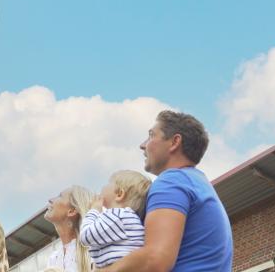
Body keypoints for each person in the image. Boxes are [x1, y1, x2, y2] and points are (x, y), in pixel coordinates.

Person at [99, 110, 233, 272]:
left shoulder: (172, 181)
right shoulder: (196, 182)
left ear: (174, 142)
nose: (142, 145)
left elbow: (155, 259)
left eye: (151, 136)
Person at [79, 170, 151, 268]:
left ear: (119, 194)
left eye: (108, 183)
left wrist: (94, 210)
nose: (103, 187)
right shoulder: (124, 217)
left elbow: (86, 236)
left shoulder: (118, 215)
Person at [44, 185, 97, 272]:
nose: (50, 199)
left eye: (60, 196)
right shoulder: (53, 259)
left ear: (72, 211)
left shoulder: (93, 251)